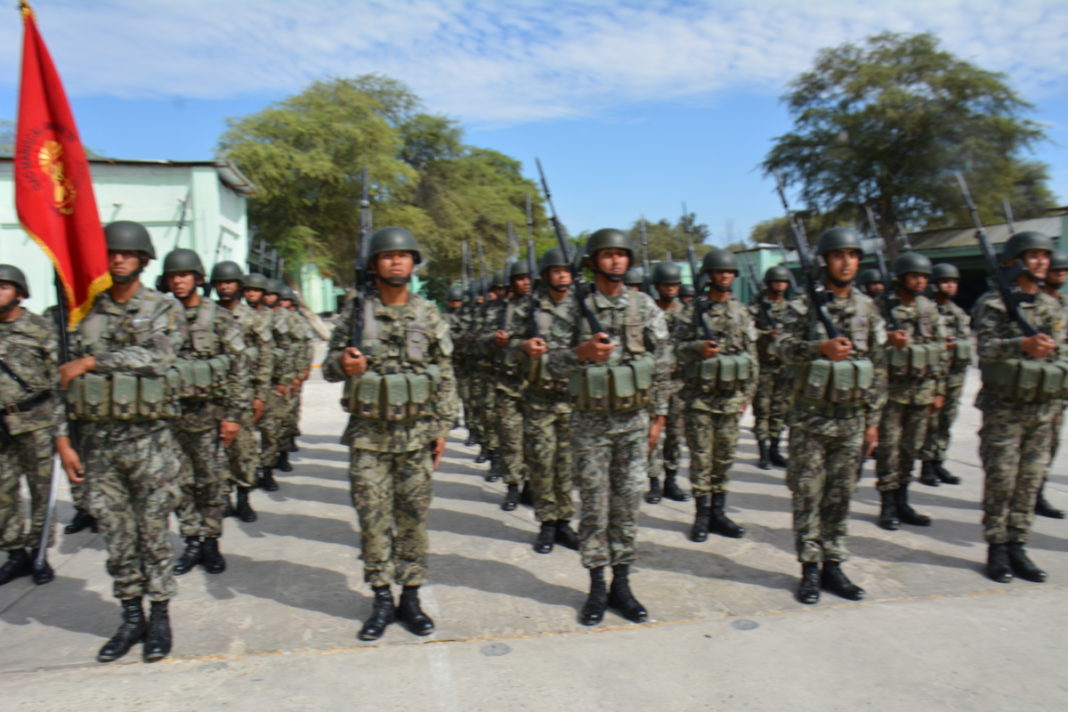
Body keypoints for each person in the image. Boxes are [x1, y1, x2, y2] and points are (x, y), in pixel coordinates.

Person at [56, 221, 186, 663]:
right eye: (112, 253)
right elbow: (63, 378)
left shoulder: (163, 308)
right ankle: (131, 617)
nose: (118, 260)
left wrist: (94, 360)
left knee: (153, 533)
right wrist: (62, 440)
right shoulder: (85, 312)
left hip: (150, 442)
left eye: (127, 254)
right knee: (116, 535)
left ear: (144, 260)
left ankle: (161, 615)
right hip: (99, 445)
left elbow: (158, 358)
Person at [322, 227, 458, 641]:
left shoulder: (429, 315)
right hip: (368, 437)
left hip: (417, 434)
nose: (396, 262)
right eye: (388, 256)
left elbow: (445, 375)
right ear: (375, 264)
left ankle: (411, 596)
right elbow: (328, 366)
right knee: (373, 520)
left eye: (404, 256)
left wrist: (443, 427)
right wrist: (345, 366)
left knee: (413, 517)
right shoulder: (355, 314)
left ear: (414, 265)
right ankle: (382, 597)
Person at [548, 228, 670, 626]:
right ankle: (597, 585)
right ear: (592, 261)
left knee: (627, 505)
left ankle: (622, 583)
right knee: (595, 507)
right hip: (590, 425)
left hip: (634, 422)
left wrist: (660, 416)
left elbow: (664, 363)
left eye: (622, 255)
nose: (616, 261)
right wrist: (580, 353)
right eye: (607, 255)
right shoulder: (573, 307)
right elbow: (548, 363)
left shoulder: (644, 305)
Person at [778, 227, 887, 604]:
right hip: (810, 419)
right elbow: (781, 349)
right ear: (825, 260)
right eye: (839, 255)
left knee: (841, 494)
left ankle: (834, 565)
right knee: (808, 494)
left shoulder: (868, 308)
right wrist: (817, 347)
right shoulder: (802, 304)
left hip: (851, 419)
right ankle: (809, 568)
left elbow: (879, 366)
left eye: (853, 255)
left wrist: (873, 421)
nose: (846, 262)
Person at [973, 230, 1064, 583]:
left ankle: (1018, 545)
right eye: (1033, 255)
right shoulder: (993, 304)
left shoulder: (1053, 305)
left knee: (1029, 483)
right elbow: (985, 349)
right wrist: (1021, 345)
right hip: (1005, 410)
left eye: (1045, 255)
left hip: (1043, 411)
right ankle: (997, 548)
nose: (1041, 261)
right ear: (1013, 262)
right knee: (1002, 481)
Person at [162, 249, 247, 576]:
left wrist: (233, 415)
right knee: (179, 483)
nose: (178, 281)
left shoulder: (220, 318)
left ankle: (211, 540)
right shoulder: (160, 317)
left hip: (210, 414)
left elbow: (239, 368)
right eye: (173, 276)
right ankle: (192, 539)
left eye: (184, 275)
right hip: (171, 416)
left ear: (197, 278)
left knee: (211, 482)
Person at [675, 248, 757, 541]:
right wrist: (697, 348)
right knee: (701, 459)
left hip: (731, 398)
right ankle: (702, 514)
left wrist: (748, 394)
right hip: (700, 400)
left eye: (729, 272)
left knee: (724, 458)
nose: (725, 276)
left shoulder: (741, 312)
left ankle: (719, 512)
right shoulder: (692, 312)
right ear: (708, 276)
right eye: (719, 271)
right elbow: (674, 351)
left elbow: (751, 356)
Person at [507, 248, 579, 553]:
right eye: (556, 270)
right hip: (539, 398)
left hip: (575, 399)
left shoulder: (582, 308)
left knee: (567, 463)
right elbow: (505, 347)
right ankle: (547, 523)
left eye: (566, 270)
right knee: (541, 462)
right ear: (546, 275)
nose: (562, 275)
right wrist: (523, 346)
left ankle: (565, 521)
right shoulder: (529, 308)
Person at [874, 251, 946, 531]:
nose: (919, 281)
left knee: (911, 449)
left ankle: (903, 500)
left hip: (922, 390)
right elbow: (867, 346)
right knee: (889, 449)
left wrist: (939, 389)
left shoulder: (928, 309)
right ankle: (887, 504)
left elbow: (939, 351)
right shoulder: (881, 306)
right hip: (891, 392)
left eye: (923, 277)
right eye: (914, 276)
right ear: (901, 278)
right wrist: (886, 340)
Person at [0, 265, 60, 586]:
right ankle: (14, 553)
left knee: (40, 490)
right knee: (3, 492)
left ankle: (38, 553)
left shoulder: (40, 328)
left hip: (35, 421)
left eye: (3, 287)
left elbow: (58, 380)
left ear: (20, 293)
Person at [212, 261, 271, 522]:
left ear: (239, 285)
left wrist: (261, 393)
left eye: (230, 282)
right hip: (214, 394)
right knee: (217, 449)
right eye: (221, 282)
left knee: (244, 449)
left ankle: (244, 498)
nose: (225, 286)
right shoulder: (208, 315)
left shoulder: (252, 318)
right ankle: (223, 498)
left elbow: (266, 355)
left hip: (244, 393)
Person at [918, 263, 972, 487]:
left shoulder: (958, 313)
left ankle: (939, 460)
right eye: (945, 281)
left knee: (947, 421)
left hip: (955, 376)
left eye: (953, 282)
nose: (950, 286)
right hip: (934, 376)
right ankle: (926, 465)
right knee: (931, 422)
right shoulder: (928, 311)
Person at [486, 261, 533, 511]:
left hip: (536, 384)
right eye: (520, 278)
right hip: (507, 383)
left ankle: (532, 486)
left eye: (529, 277)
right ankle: (513, 486)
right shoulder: (497, 311)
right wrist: (494, 340)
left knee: (536, 441)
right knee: (511, 439)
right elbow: (476, 339)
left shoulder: (542, 307)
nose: (526, 282)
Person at [644, 261, 691, 504]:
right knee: (654, 433)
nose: (670, 289)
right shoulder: (648, 311)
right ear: (657, 286)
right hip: (654, 382)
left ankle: (670, 480)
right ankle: (653, 481)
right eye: (665, 284)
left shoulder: (687, 313)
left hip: (680, 383)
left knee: (675, 435)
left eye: (674, 285)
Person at [750, 265, 798, 470]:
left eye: (783, 281)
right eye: (776, 281)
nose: (780, 285)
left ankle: (775, 449)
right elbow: (747, 332)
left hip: (784, 367)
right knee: (762, 410)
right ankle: (763, 453)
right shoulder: (757, 307)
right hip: (764, 367)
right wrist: (765, 334)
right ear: (768, 283)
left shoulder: (791, 308)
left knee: (780, 410)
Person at [1033, 251, 1068, 519]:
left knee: (1051, 444)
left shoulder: (1065, 305)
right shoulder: (1034, 305)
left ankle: (1038, 492)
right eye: (1058, 269)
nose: (1062, 273)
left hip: (1059, 390)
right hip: (1033, 389)